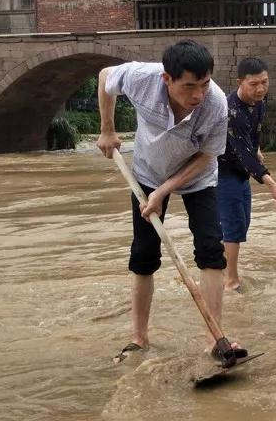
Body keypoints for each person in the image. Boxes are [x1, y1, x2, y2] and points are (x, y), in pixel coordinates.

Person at [96, 39, 247, 364]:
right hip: (146, 172)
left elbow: (208, 156)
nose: (198, 95)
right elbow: (105, 76)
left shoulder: (216, 105)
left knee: (211, 251)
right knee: (144, 254)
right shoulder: (141, 78)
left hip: (197, 177)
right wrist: (107, 129)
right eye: (189, 87)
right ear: (167, 80)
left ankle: (213, 338)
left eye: (204, 85)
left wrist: (165, 191)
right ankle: (139, 338)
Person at [218, 57, 276, 292]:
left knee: (241, 223)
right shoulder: (232, 111)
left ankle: (214, 269)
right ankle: (230, 280)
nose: (260, 89)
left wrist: (256, 147)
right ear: (240, 82)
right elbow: (243, 154)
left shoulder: (260, 100)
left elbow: (254, 132)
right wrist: (271, 183)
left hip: (240, 171)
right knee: (234, 225)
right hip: (221, 170)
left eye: (264, 82)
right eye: (254, 84)